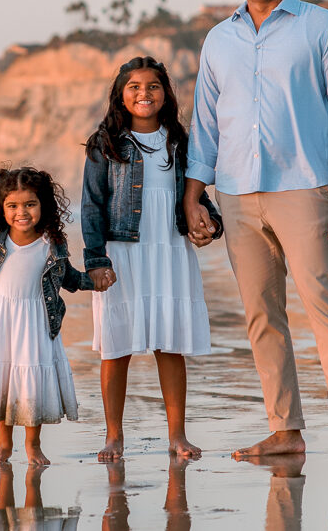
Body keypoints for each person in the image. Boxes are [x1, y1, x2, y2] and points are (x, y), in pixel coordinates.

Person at [183, 0, 328, 462]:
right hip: (237, 194)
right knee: (261, 315)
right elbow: (205, 124)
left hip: (305, 188)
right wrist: (193, 194)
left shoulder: (323, 27)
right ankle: (285, 431)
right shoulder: (218, 40)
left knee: (325, 307)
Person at [82, 56, 223, 462]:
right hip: (122, 252)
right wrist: (95, 260)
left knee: (170, 342)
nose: (145, 93)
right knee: (116, 345)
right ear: (121, 96)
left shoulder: (179, 142)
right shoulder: (105, 143)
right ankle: (113, 436)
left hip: (170, 249)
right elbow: (92, 205)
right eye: (135, 87)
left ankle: (177, 435)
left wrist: (210, 223)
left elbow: (197, 198)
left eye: (153, 86)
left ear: (165, 95)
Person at [0, 167, 94, 465]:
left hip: (35, 320)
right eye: (12, 206)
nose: (21, 212)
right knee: (2, 377)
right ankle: (4, 445)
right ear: (1, 208)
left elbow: (68, 277)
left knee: (30, 382)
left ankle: (32, 446)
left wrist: (94, 281)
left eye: (30, 204)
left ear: (43, 206)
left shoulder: (51, 243)